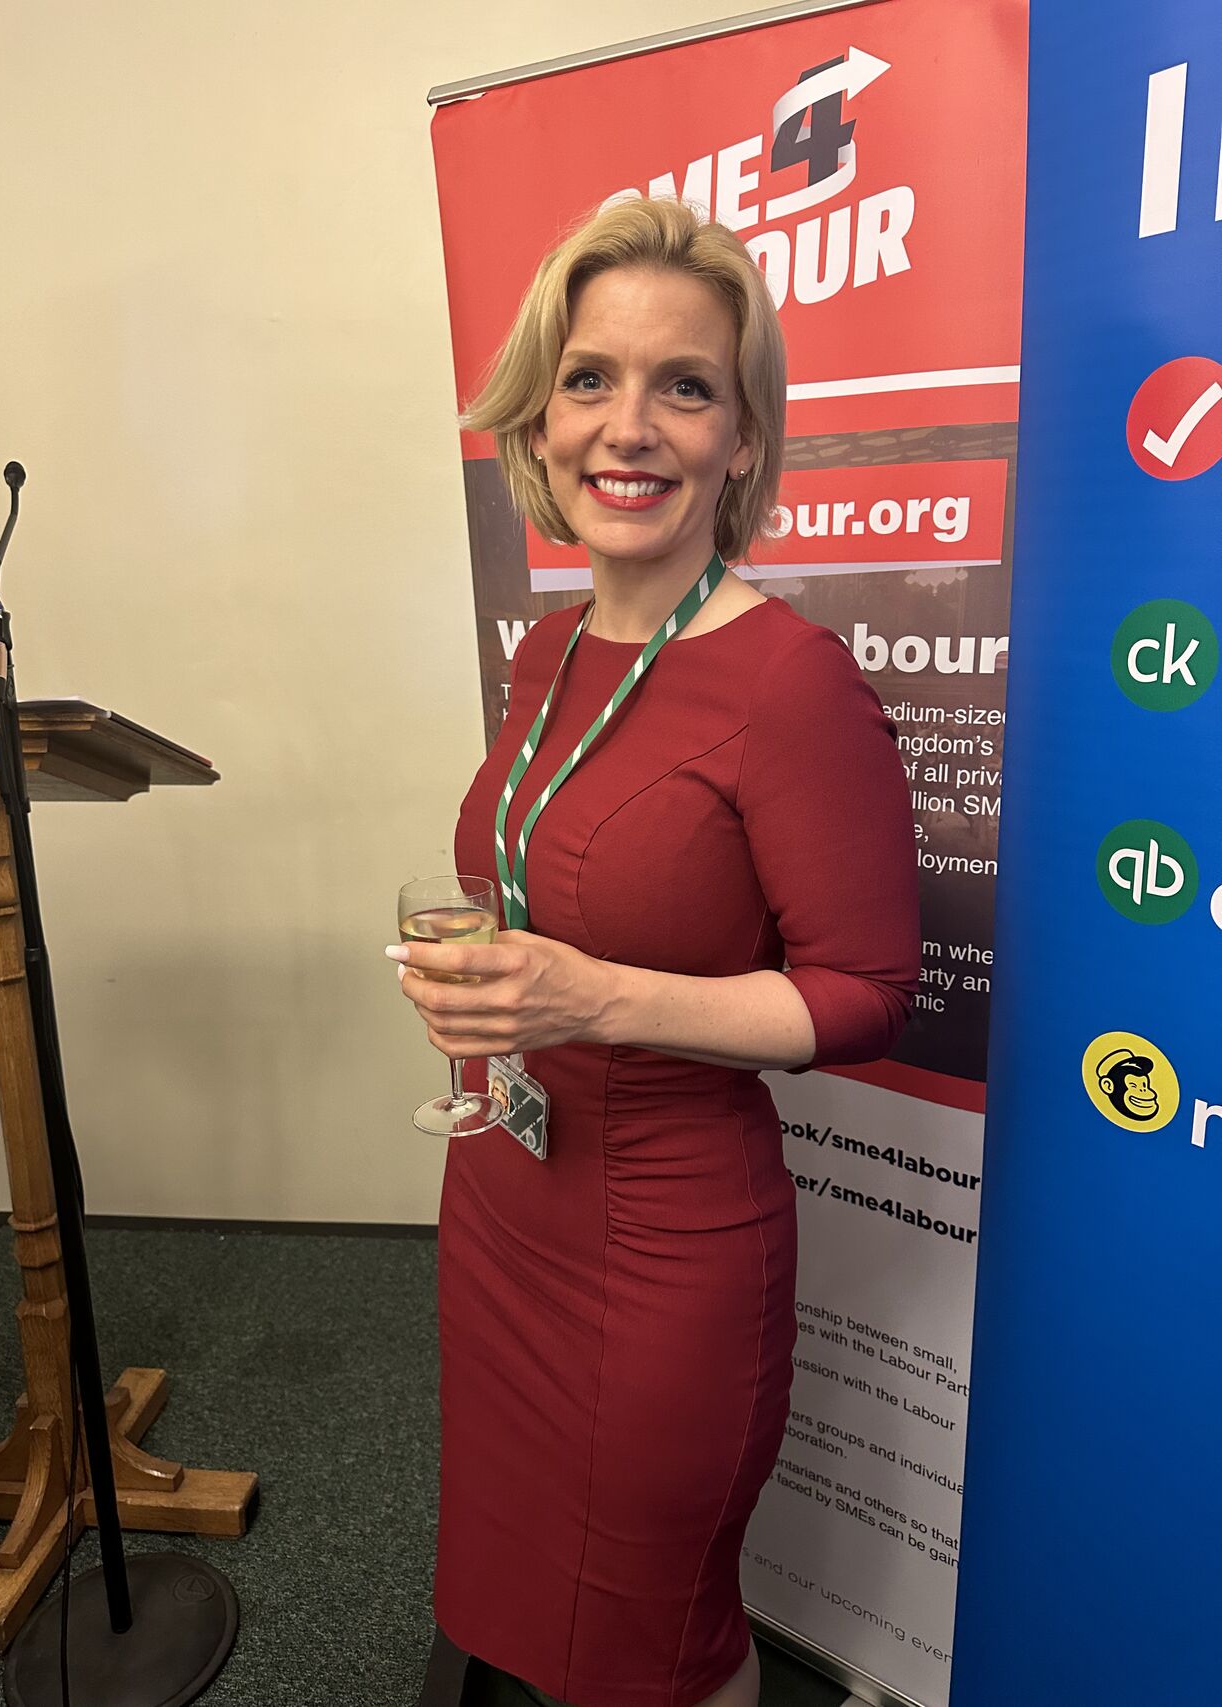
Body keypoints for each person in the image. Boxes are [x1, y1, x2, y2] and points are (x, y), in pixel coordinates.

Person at [396, 195, 921, 1707]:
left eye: (685, 387)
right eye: (589, 379)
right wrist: (491, 987)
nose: (628, 428)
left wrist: (587, 994)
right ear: (541, 418)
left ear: (743, 440)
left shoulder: (792, 683)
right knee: (526, 1581)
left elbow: (868, 995)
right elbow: (545, 865)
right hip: (508, 1191)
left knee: (660, 1639)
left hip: (668, 1246)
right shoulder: (551, 648)